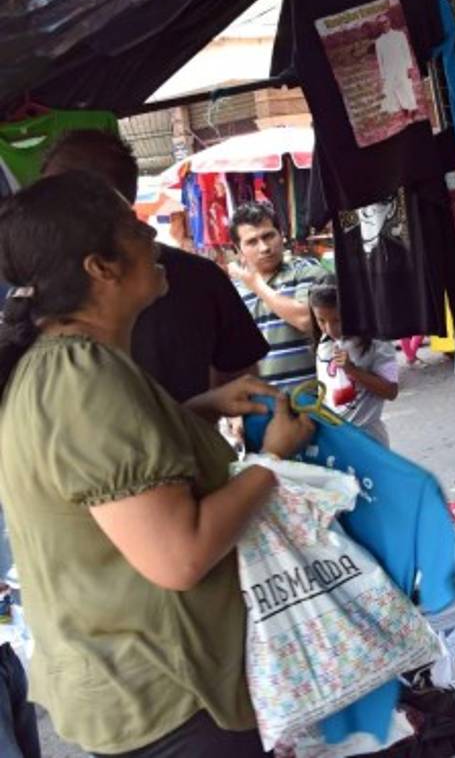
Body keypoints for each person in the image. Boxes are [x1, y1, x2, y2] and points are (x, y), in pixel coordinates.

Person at [0, 172, 315, 756]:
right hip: (170, 699)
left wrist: (194, 411)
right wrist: (273, 461)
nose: (155, 239)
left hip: (137, 686)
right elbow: (180, 555)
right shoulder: (85, 382)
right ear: (101, 267)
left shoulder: (64, 366)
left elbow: (101, 485)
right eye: (137, 229)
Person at [39, 129, 269, 402]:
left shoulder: (197, 278)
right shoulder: (37, 291)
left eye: (50, 194)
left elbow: (244, 384)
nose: (149, 235)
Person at [227, 202, 329, 390]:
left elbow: (306, 319)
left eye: (268, 236)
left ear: (281, 235)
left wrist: (257, 286)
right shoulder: (233, 291)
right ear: (238, 250)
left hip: (313, 399)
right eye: (252, 242)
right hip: (262, 406)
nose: (264, 247)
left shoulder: (306, 270)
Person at [309, 283, 400, 446]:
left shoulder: (378, 342)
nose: (330, 328)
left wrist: (352, 370)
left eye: (337, 320)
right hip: (335, 437)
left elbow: (391, 391)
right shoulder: (323, 344)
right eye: (321, 320)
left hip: (368, 437)